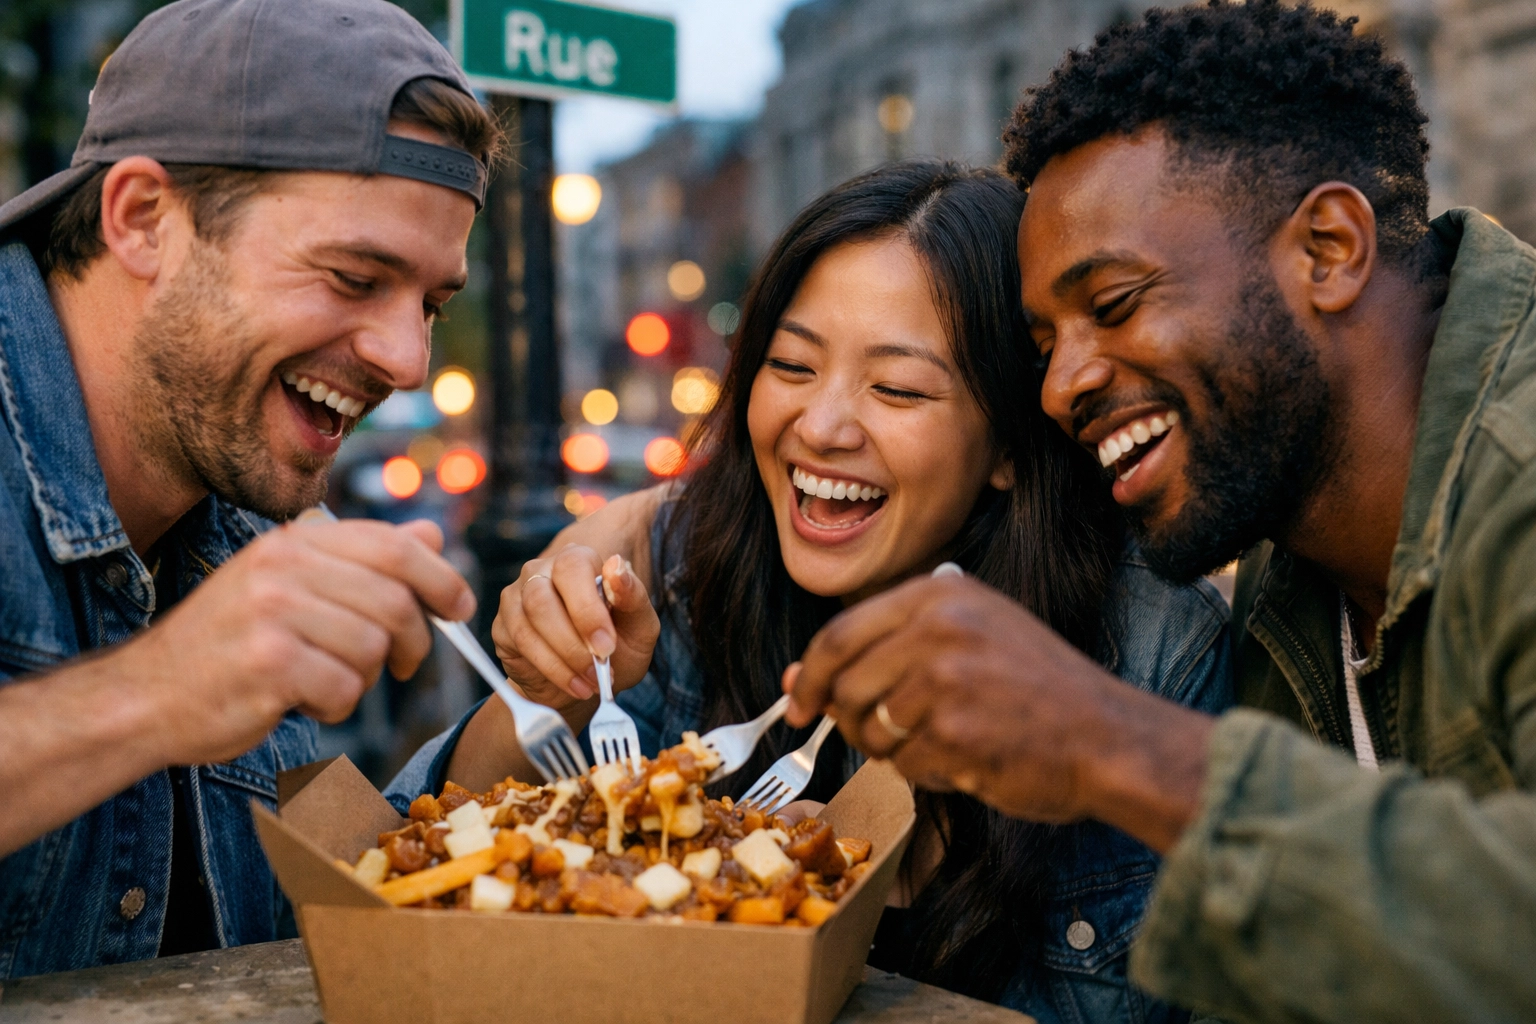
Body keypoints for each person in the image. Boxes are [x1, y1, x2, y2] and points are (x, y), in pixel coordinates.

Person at [776, 2, 1536, 1021]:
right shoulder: (1285, 530)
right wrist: (638, 531)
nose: (1060, 387)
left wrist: (1112, 742)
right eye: (1045, 342)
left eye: (1117, 302)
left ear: (1327, 248)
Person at [482, 161, 1231, 1023]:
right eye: (792, 366)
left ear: (1008, 448)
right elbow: (412, 870)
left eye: (898, 389)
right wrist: (545, 690)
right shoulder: (688, 578)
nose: (823, 427)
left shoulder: (1152, 651)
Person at [0, 0, 491, 977]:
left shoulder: (241, 499)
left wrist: (543, 704)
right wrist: (151, 693)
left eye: (431, 303)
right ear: (143, 218)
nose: (405, 357)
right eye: (356, 277)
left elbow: (343, 878)